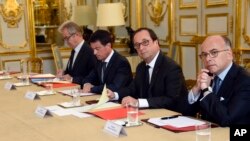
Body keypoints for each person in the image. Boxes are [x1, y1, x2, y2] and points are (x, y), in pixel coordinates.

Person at [107, 27, 187, 112]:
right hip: (149, 115)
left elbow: (171, 100)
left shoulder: (171, 67)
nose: (141, 48)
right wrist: (114, 95)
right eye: (137, 45)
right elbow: (132, 89)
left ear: (156, 43)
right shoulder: (141, 67)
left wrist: (139, 102)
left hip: (171, 117)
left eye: (145, 42)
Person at [187, 35, 250, 126]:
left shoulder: (245, 81)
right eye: (204, 54)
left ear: (229, 54)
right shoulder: (209, 76)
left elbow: (227, 120)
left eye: (214, 52)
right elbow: (185, 112)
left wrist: (206, 91)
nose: (208, 59)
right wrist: (196, 89)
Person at [82, 30, 133, 94]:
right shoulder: (99, 60)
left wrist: (92, 89)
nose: (94, 53)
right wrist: (86, 84)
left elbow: (115, 87)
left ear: (108, 46)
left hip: (120, 101)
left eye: (97, 49)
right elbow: (88, 78)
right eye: (93, 49)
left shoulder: (121, 62)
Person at [57, 21, 96, 85]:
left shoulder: (90, 51)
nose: (66, 42)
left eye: (67, 38)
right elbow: (72, 73)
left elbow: (93, 78)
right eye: (64, 39)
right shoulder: (74, 50)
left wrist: (72, 79)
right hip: (71, 89)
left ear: (77, 35)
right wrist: (63, 73)